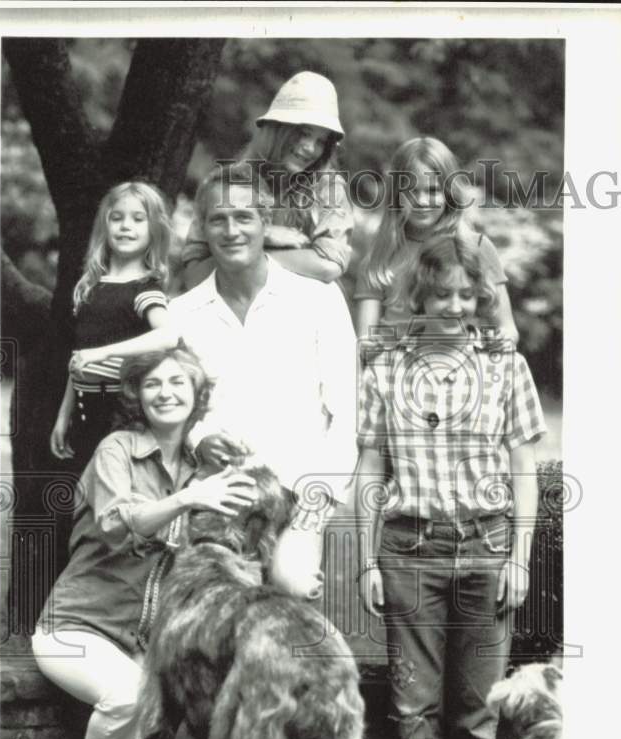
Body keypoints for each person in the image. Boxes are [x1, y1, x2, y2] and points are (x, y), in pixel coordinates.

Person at [71, 162, 359, 601]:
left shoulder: (318, 300)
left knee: (290, 583)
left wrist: (312, 512)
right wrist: (200, 440)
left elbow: (346, 419)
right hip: (215, 493)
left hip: (302, 493)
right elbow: (170, 409)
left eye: (244, 217)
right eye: (217, 219)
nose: (232, 230)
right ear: (202, 229)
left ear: (265, 223)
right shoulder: (181, 314)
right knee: (207, 600)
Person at [355, 232, 546, 739]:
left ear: (483, 298)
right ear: (420, 295)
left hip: (487, 548)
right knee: (412, 710)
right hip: (410, 551)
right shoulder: (386, 368)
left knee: (474, 711)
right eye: (442, 294)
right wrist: (365, 560)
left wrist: (518, 556)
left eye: (468, 295)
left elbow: (522, 467)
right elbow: (370, 469)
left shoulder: (504, 367)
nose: (456, 306)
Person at [32, 347, 256, 739]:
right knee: (132, 693)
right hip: (75, 628)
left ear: (197, 395)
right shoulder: (118, 449)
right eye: (153, 384)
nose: (166, 392)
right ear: (136, 395)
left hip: (145, 641)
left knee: (212, 694)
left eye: (178, 382)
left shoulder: (204, 465)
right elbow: (115, 525)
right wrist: (185, 499)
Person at [181, 71, 354, 288]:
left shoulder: (330, 187)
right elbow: (194, 275)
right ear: (277, 128)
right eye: (303, 133)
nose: (310, 149)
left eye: (321, 141)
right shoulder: (226, 184)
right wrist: (264, 236)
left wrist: (251, 252)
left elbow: (329, 266)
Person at [355, 136, 520, 350]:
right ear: (396, 195)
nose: (422, 201)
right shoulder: (379, 258)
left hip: (462, 367)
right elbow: (364, 339)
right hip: (398, 371)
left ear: (449, 193)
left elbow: (508, 329)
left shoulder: (476, 248)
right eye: (412, 191)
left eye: (433, 190)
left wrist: (501, 340)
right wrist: (372, 347)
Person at [50, 181, 172, 471]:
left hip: (122, 412)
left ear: (154, 229)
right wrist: (63, 415)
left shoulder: (145, 289)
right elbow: (80, 358)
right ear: (104, 226)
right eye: (116, 218)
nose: (125, 226)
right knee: (83, 497)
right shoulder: (92, 287)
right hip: (84, 411)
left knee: (114, 492)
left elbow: (168, 336)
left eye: (138, 219)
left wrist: (102, 354)